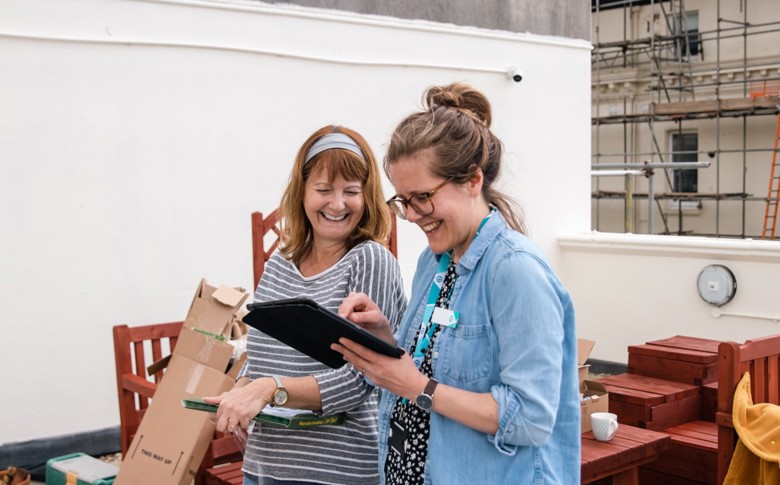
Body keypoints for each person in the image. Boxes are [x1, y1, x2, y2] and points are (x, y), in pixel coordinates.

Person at [333, 83, 580, 484]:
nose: (411, 216)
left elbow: (531, 418)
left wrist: (418, 388)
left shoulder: (515, 271)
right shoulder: (433, 263)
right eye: (402, 201)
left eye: (422, 197)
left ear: (472, 181)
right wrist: (383, 336)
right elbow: (426, 368)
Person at [205, 125, 407, 485]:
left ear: (367, 196)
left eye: (351, 191)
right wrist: (240, 392)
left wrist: (269, 389)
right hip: (264, 467)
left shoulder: (369, 260)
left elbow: (360, 378)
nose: (337, 204)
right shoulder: (280, 263)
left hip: (338, 472)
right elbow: (261, 355)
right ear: (302, 192)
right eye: (324, 189)